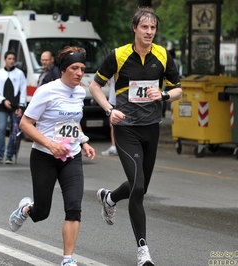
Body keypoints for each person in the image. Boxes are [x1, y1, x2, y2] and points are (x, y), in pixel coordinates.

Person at [89, 6, 182, 266]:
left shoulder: (162, 55)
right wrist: (109, 110)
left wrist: (163, 95)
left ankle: (109, 198)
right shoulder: (118, 55)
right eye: (145, 27)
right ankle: (143, 251)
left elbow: (178, 90)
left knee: (140, 185)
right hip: (126, 128)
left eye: (153, 27)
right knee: (138, 188)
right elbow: (94, 85)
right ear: (135, 28)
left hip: (150, 128)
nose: (149, 32)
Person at [8, 46, 95, 266]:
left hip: (71, 157)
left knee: (74, 207)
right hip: (44, 157)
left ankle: (67, 259)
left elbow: (73, 122)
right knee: (42, 212)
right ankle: (27, 209)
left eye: (82, 68)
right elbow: (25, 124)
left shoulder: (80, 92)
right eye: (74, 68)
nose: (79, 73)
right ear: (64, 69)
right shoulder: (47, 91)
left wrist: (83, 142)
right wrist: (50, 144)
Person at [0, 50, 27, 164]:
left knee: (14, 131)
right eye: (9, 58)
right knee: (1, 129)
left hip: (15, 107)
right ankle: (0, 154)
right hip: (2, 106)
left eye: (13, 59)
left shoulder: (19, 74)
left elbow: (23, 91)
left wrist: (21, 106)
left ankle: (9, 155)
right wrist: (3, 100)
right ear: (5, 59)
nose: (11, 61)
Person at [101, 76, 118, 156]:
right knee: (114, 123)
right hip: (114, 99)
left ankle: (114, 147)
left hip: (116, 99)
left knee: (113, 123)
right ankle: (114, 147)